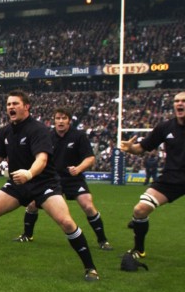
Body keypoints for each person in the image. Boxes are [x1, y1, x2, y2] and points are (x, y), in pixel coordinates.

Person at [0, 90, 100, 281]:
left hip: (44, 184)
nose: (11, 107)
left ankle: (90, 268)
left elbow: (42, 159)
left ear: (26, 107)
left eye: (15, 104)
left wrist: (29, 173)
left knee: (67, 222)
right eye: (8, 104)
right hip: (18, 184)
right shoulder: (4, 132)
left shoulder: (38, 130)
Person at [14, 107, 111, 250]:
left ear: (69, 121)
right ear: (54, 121)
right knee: (32, 205)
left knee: (88, 206)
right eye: (58, 118)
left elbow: (90, 158)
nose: (60, 121)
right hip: (52, 179)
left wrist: (78, 168)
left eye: (64, 118)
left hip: (73, 179)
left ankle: (103, 240)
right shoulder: (47, 136)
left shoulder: (78, 136)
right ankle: (27, 235)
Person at [120, 90, 185, 259]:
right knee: (140, 210)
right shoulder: (165, 127)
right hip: (172, 178)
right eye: (177, 101)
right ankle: (139, 250)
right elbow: (142, 148)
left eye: (184, 101)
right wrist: (130, 149)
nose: (180, 104)